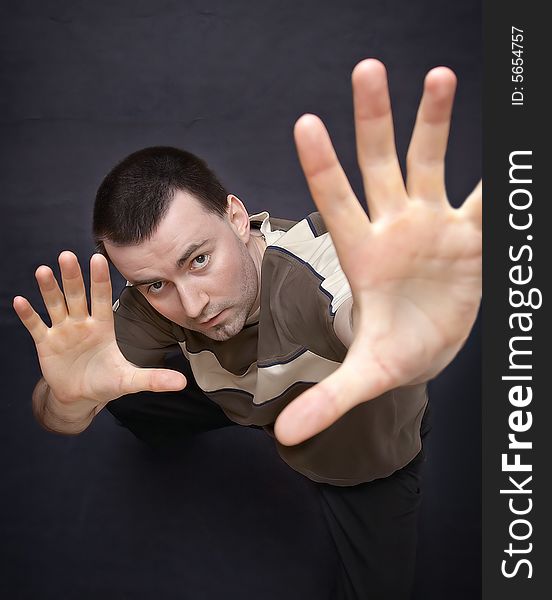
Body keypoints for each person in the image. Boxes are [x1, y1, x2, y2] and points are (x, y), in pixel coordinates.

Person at [13, 59, 482, 599]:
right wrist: (68, 401)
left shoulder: (320, 274)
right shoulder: (153, 299)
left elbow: (357, 308)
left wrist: (396, 320)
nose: (192, 304)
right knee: (119, 387)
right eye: (154, 284)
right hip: (241, 397)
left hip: (353, 443)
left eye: (198, 260)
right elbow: (57, 414)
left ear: (237, 217)